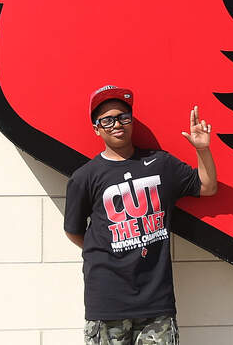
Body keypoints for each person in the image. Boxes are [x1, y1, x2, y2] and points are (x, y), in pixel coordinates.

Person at [64, 84, 218, 345]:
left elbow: (207, 187)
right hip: (107, 302)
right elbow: (74, 231)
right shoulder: (85, 178)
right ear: (96, 128)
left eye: (124, 117)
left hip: (156, 302)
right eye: (108, 120)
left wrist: (202, 149)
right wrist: (111, 248)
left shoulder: (161, 164)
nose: (117, 124)